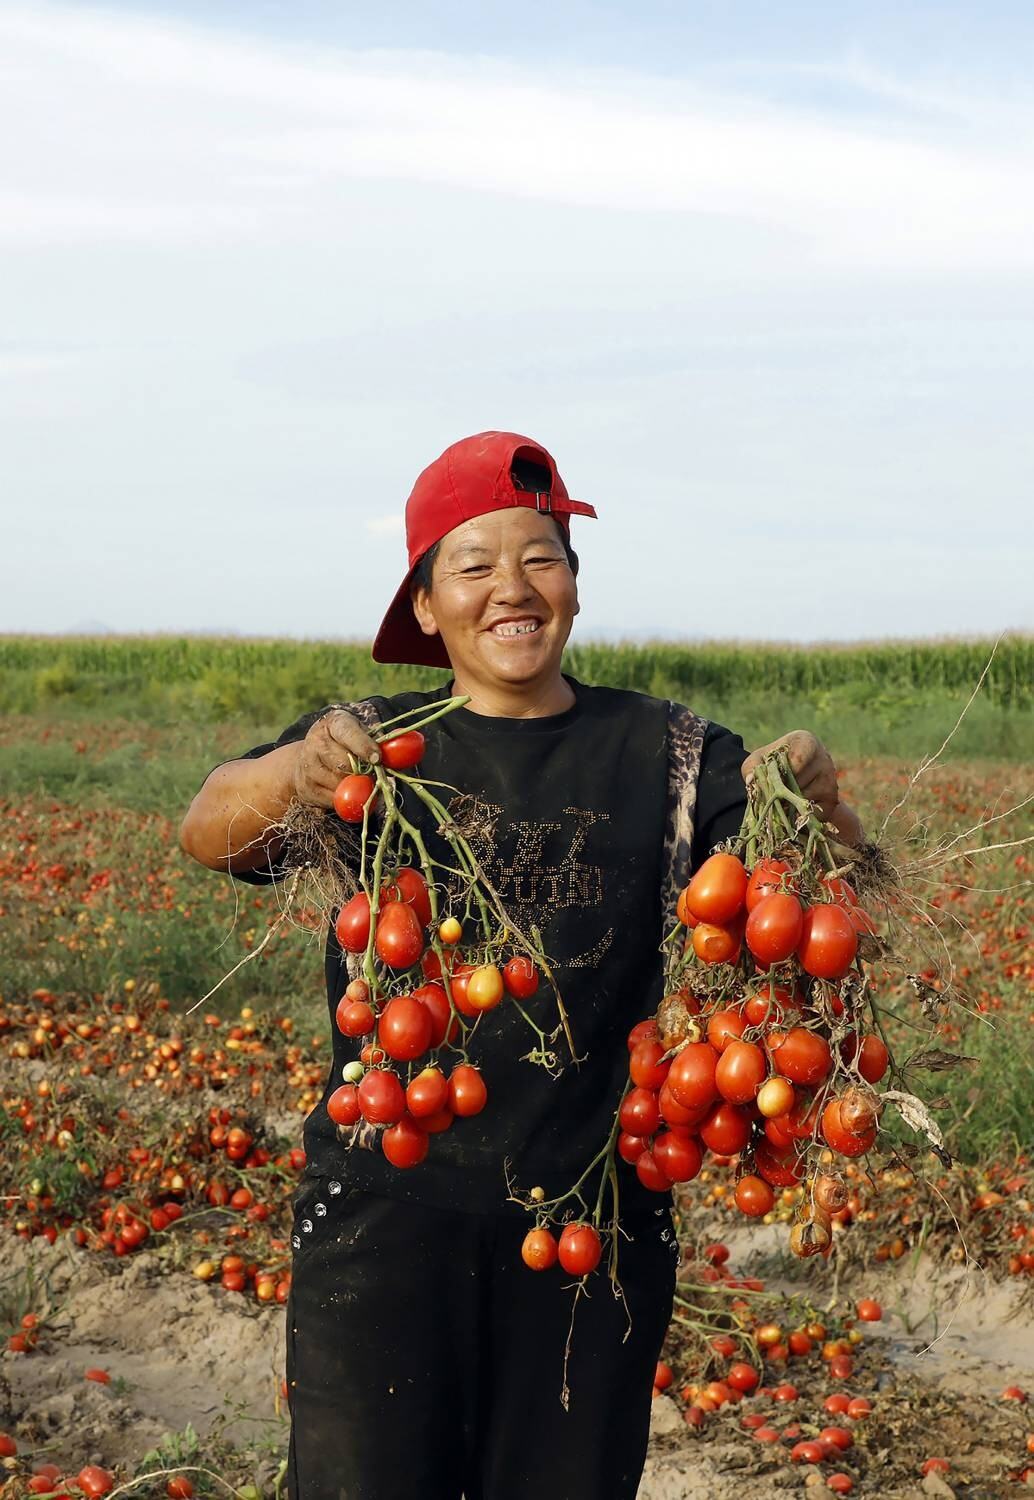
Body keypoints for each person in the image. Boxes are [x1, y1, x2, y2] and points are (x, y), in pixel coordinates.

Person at [179, 431, 862, 1500]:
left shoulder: (675, 754)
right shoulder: (372, 746)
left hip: (592, 1221)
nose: (513, 586)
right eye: (474, 563)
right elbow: (211, 829)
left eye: (541, 557)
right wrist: (295, 773)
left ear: (574, 588)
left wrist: (814, 798)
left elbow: (834, 892)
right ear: (423, 606)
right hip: (384, 1211)